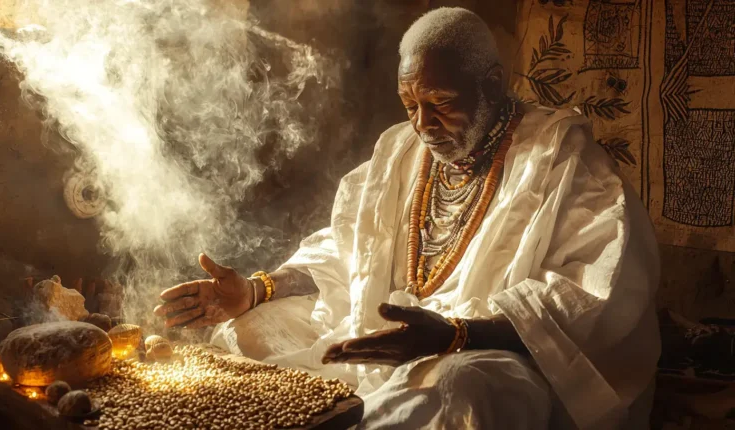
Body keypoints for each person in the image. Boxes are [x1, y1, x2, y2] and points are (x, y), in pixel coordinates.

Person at [154, 7, 660, 429]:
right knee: (252, 329)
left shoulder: (561, 159)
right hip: (384, 333)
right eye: (410, 104)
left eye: (440, 103)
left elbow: (588, 301)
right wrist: (256, 290)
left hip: (491, 352)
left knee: (457, 386)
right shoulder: (398, 150)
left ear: (491, 84)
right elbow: (343, 248)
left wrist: (455, 335)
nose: (422, 124)